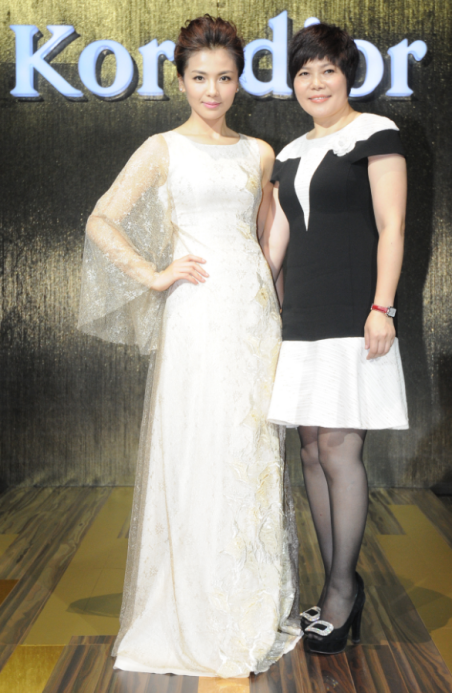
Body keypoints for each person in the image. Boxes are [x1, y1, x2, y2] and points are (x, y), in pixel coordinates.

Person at [78, 15, 301, 678]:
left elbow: (267, 240)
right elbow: (101, 219)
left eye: (224, 78)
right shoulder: (161, 148)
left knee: (249, 452)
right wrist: (153, 273)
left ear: (238, 81)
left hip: (251, 317)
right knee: (196, 447)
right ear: (180, 80)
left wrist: (275, 305)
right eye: (200, 77)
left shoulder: (259, 153)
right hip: (195, 315)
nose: (212, 90)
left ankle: (246, 605)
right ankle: (191, 609)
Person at [261, 22, 409, 655]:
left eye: (327, 70)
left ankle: (343, 592)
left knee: (340, 450)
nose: (316, 83)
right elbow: (275, 246)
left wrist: (383, 307)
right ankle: (335, 585)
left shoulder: (376, 132)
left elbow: (392, 225)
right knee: (311, 452)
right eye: (304, 73)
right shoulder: (289, 152)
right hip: (301, 319)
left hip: (356, 312)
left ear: (349, 75)